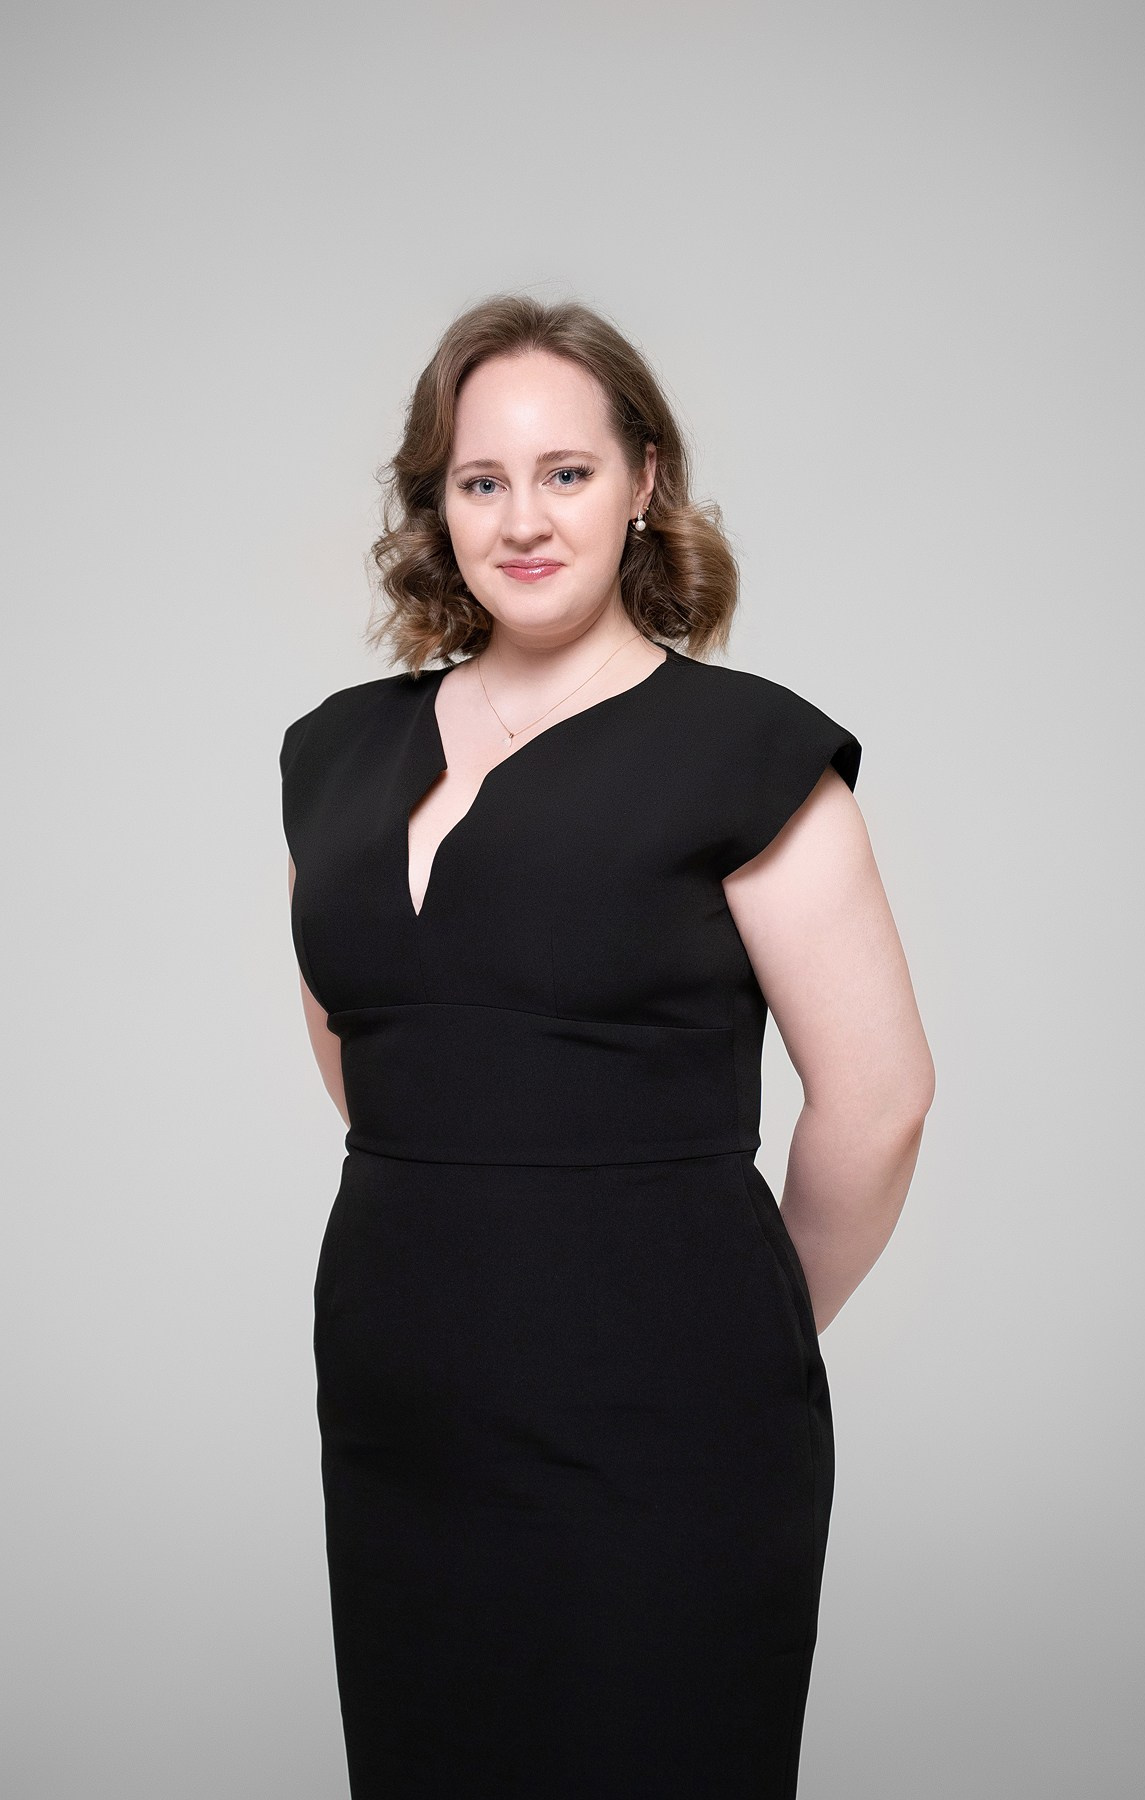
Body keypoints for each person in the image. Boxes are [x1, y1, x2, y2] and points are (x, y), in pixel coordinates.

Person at [279, 293, 935, 1798]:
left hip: (672, 1409)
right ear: (437, 504)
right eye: (481, 479)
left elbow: (882, 1101)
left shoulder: (747, 752)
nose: (524, 519)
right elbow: (366, 1046)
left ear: (645, 481)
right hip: (401, 1399)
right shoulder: (334, 754)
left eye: (566, 472)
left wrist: (730, 1329)